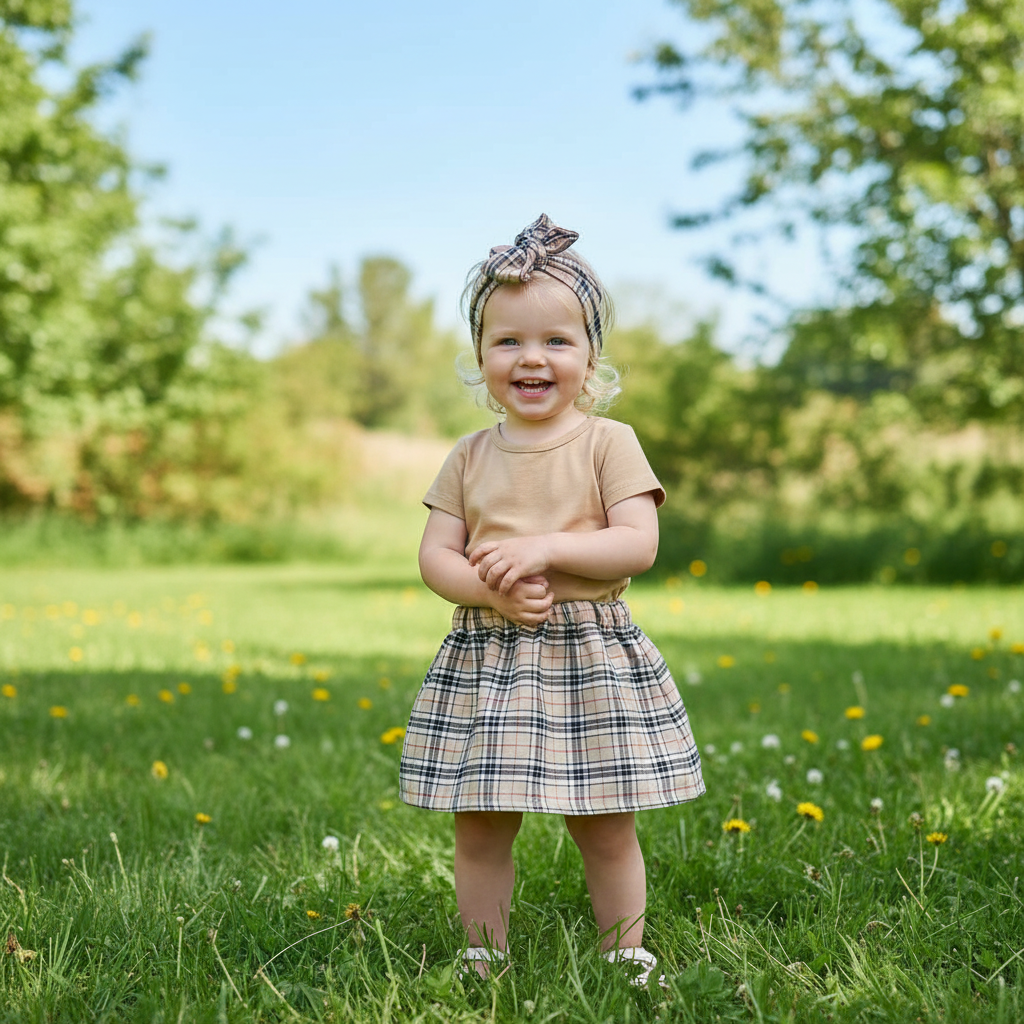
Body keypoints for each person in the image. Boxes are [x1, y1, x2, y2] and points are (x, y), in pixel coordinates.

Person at [399, 214, 704, 987]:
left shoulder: (609, 442)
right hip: (492, 655)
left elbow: (637, 543)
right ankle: (481, 952)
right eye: (508, 342)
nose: (532, 358)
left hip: (588, 654)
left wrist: (545, 549)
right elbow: (436, 555)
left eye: (556, 342)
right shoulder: (469, 456)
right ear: (480, 358)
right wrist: (485, 592)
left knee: (603, 821)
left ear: (590, 357)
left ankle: (625, 950)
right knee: (481, 820)